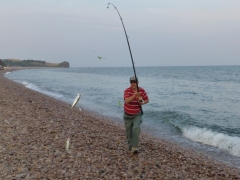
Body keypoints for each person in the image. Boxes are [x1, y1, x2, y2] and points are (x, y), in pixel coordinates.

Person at [123, 76, 149, 154]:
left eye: (135, 81)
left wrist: (141, 102)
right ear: (130, 83)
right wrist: (135, 95)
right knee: (129, 133)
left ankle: (135, 147)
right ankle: (131, 146)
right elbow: (127, 101)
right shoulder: (127, 91)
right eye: (132, 82)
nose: (133, 83)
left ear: (138, 82)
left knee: (136, 128)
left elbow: (147, 100)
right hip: (127, 115)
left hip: (137, 114)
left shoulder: (141, 90)